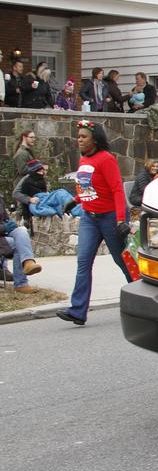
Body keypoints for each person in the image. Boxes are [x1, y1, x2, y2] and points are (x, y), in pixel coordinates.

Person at [56, 120, 132, 326]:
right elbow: (88, 188)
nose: (79, 140)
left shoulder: (106, 159)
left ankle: (144, 301)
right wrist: (75, 200)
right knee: (83, 262)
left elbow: (116, 189)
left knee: (123, 261)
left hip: (110, 217)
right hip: (90, 217)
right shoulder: (84, 161)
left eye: (83, 137)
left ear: (95, 140)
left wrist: (120, 220)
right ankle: (78, 311)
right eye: (78, 137)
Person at [13, 160, 82, 218]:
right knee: (60, 193)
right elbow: (16, 193)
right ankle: (76, 210)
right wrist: (29, 200)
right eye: (43, 170)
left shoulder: (41, 179)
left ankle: (77, 209)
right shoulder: (26, 180)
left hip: (45, 199)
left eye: (46, 170)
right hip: (37, 201)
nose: (44, 172)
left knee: (62, 196)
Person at [0, 201, 42, 294]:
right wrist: (4, 228)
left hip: (3, 234)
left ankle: (28, 263)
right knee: (18, 245)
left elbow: (4, 219)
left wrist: (9, 223)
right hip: (2, 235)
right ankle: (21, 284)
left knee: (21, 231)